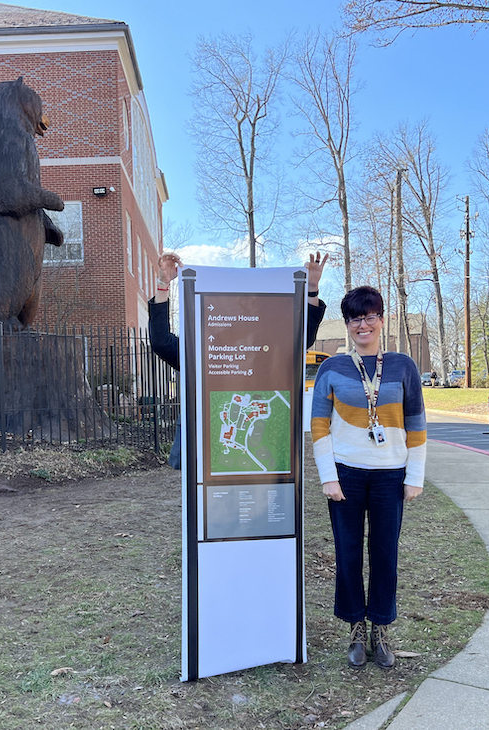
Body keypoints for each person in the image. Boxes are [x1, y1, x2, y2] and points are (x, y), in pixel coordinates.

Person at [310, 286, 426, 670]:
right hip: (345, 474)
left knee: (385, 555)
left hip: (390, 475)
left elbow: (416, 424)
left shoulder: (402, 366)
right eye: (355, 318)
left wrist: (415, 476)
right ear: (347, 325)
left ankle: (380, 627)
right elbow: (320, 428)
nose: (363, 324)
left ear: (381, 319)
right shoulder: (332, 369)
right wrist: (329, 476)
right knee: (347, 552)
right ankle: (355, 627)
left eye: (370, 316)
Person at [149, 250, 329, 468]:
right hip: (205, 454)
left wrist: (311, 290)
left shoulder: (268, 347)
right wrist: (163, 284)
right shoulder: (203, 348)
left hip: (255, 457)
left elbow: (302, 338)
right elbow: (161, 343)